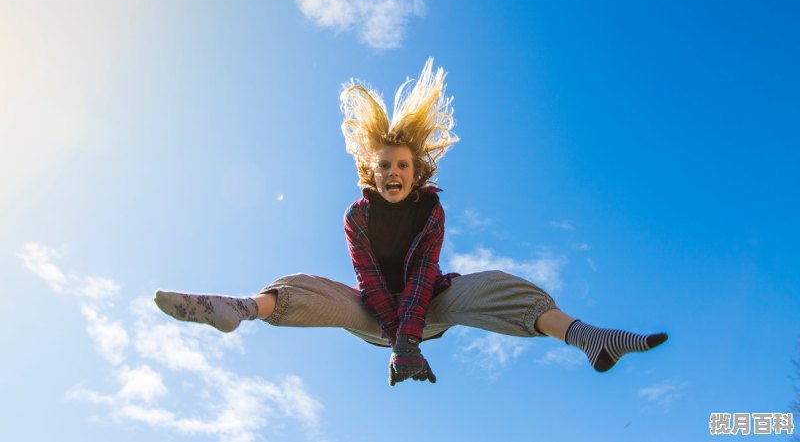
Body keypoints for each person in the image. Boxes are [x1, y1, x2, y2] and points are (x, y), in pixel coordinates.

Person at [154, 58, 667, 385]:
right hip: (374, 315)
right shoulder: (357, 217)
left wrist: (410, 343)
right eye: (385, 166)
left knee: (492, 285)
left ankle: (587, 337)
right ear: (370, 173)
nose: (394, 173)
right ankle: (239, 307)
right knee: (310, 287)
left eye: (403, 165)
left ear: (416, 171)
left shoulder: (430, 211)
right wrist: (394, 338)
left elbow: (423, 277)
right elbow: (370, 281)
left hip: (428, 313)